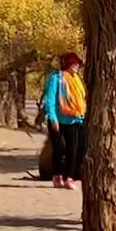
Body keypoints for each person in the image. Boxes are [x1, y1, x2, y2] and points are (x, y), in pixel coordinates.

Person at [40, 52, 88, 190]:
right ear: (67, 64)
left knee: (74, 150)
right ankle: (57, 176)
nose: (77, 66)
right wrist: (52, 117)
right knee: (59, 149)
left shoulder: (77, 80)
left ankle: (70, 177)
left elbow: (81, 99)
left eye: (78, 64)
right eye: (74, 63)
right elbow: (50, 99)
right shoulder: (56, 79)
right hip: (59, 120)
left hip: (75, 120)